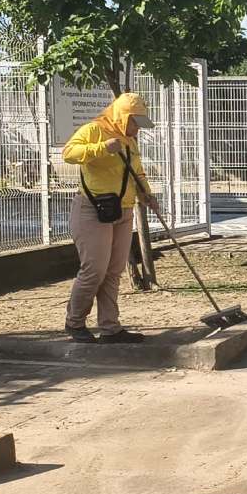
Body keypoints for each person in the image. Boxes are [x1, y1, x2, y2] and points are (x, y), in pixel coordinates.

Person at [61, 93, 161, 344]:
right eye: (134, 122)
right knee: (94, 269)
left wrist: (147, 195)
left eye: (139, 123)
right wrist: (102, 148)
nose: (137, 129)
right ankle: (74, 323)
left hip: (124, 210)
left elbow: (135, 171)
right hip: (93, 210)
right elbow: (69, 153)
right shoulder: (94, 130)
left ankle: (110, 328)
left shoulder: (129, 141)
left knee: (114, 270)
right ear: (122, 116)